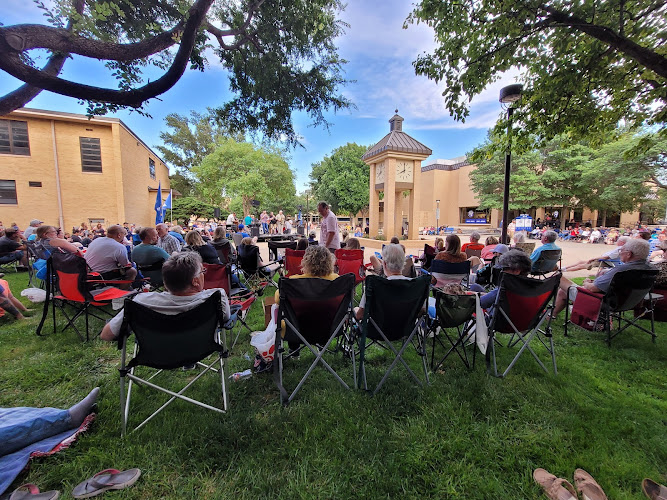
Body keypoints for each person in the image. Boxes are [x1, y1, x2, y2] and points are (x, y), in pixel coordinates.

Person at [100, 252, 230, 341]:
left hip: (156, 354)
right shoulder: (216, 296)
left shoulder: (141, 302)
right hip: (201, 348)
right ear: (195, 281)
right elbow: (225, 318)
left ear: (166, 282)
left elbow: (106, 335)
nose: (204, 274)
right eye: (202, 271)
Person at [552, 238, 654, 317]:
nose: (619, 253)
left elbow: (592, 288)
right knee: (564, 291)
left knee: (557, 277)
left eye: (621, 251)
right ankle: (551, 315)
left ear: (629, 254)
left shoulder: (622, 271)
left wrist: (586, 283)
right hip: (631, 302)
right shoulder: (650, 268)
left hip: (603, 302)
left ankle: (547, 312)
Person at [355, 244, 417, 320]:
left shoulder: (374, 285)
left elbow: (360, 315)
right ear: (403, 263)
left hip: (378, 330)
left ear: (384, 264)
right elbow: (421, 311)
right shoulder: (416, 285)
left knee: (355, 310)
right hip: (406, 330)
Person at [84, 224, 137, 289]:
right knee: (132, 271)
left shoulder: (96, 240)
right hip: (101, 275)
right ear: (119, 235)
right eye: (124, 234)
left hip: (87, 272)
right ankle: (122, 292)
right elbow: (126, 265)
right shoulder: (119, 247)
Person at [562, 236, 629, 272]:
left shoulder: (620, 249)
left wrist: (593, 258)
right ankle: (564, 268)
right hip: (605, 260)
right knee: (581, 262)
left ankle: (565, 270)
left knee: (583, 265)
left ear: (622, 242)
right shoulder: (621, 247)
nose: (617, 242)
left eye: (618, 241)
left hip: (607, 262)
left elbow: (606, 257)